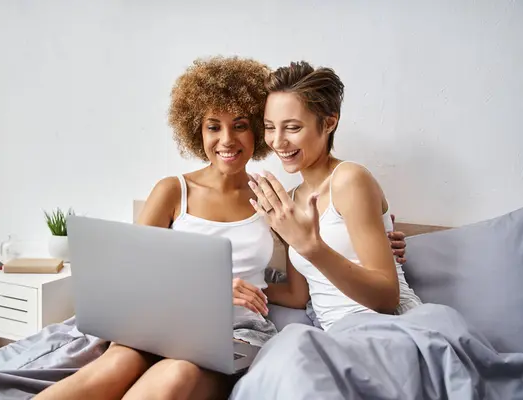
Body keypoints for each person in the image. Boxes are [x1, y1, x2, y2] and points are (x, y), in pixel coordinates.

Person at [35, 57, 408, 400]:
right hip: (162, 319)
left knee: (175, 377)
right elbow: (132, 277)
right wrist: (213, 288)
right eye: (214, 127)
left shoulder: (271, 199)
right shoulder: (173, 191)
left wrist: (368, 240)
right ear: (196, 129)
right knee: (116, 365)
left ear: (255, 134)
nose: (227, 140)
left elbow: (294, 288)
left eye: (241, 126)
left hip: (234, 334)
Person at [249, 61, 422, 332]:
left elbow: (388, 299)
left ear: (329, 122)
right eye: (270, 127)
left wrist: (313, 248)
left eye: (292, 127)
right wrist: (239, 287)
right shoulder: (291, 200)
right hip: (337, 336)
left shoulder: (350, 180)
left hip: (389, 328)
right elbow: (298, 296)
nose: (277, 141)